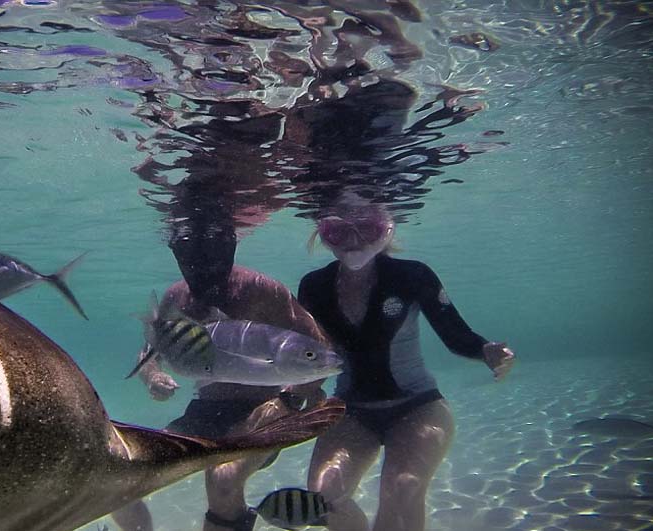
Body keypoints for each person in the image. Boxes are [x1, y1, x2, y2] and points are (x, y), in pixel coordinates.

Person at [296, 197, 515, 531]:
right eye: (338, 231)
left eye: (367, 229)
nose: (354, 241)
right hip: (351, 411)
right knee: (324, 496)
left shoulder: (412, 276)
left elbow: (456, 335)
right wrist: (293, 394)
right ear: (321, 232)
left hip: (418, 407)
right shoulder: (314, 286)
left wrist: (486, 350)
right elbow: (306, 353)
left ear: (387, 229)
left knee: (403, 489)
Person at [112, 220, 332, 531]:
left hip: (265, 410)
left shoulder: (263, 290)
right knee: (126, 478)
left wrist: (290, 400)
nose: (201, 265)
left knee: (223, 481)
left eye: (211, 254)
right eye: (190, 255)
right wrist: (153, 378)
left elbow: (320, 349)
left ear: (230, 247)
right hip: (205, 410)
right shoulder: (177, 296)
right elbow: (149, 354)